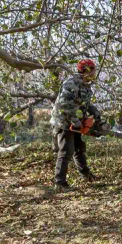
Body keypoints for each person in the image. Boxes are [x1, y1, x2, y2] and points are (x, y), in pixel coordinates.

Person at [50, 59, 101, 189]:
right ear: (86, 71)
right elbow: (64, 105)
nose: (94, 73)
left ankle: (86, 174)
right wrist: (75, 121)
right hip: (63, 121)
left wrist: (95, 112)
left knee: (79, 148)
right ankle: (59, 182)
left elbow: (85, 103)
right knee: (66, 150)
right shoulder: (71, 83)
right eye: (92, 70)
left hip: (76, 121)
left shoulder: (86, 85)